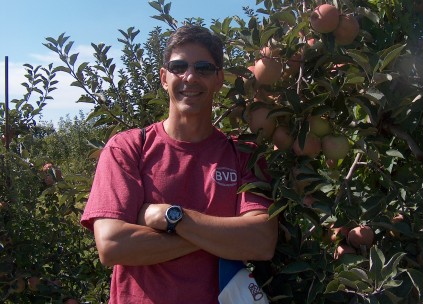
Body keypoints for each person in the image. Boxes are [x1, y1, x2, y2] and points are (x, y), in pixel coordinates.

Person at [81, 25, 278, 303]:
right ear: (164, 77)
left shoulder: (244, 155)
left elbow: (261, 241)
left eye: (204, 68)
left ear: (219, 79)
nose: (190, 76)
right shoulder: (127, 148)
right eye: (179, 66)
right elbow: (112, 246)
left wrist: (169, 217)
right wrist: (220, 237)